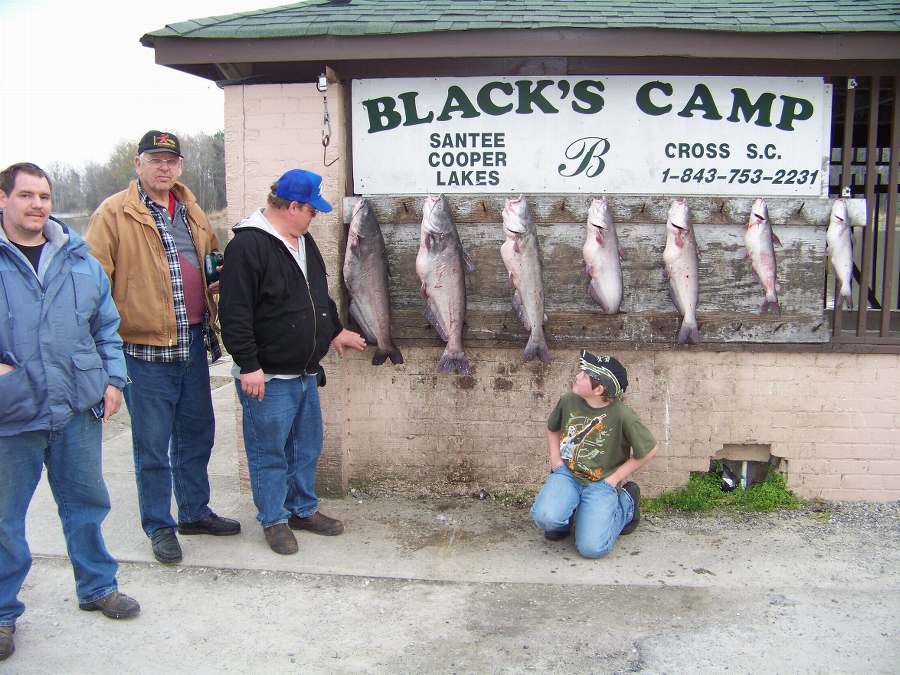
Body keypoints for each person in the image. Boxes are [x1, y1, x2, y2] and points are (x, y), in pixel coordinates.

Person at [0, 163, 140, 662]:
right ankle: (2, 613)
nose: (37, 205)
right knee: (4, 521)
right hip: (10, 417)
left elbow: (107, 325)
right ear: (3, 199)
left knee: (86, 504)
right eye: (26, 195)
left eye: (44, 195)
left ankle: (97, 586)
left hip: (77, 408)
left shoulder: (77, 258)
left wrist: (112, 378)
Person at [85, 131, 240, 565]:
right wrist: (101, 356)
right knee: (152, 444)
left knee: (196, 434)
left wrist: (216, 279)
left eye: (170, 160)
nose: (163, 168)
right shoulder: (113, 214)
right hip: (141, 350)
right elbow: (91, 287)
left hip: (192, 342)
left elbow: (210, 260)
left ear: (180, 166)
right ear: (138, 164)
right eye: (154, 160)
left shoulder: (193, 212)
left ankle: (193, 511)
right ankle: (159, 524)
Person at [219, 169, 366, 555]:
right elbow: (234, 313)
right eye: (311, 210)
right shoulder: (247, 246)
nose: (314, 217)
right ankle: (274, 519)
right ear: (294, 207)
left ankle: (302, 509)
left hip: (304, 372)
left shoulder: (303, 241)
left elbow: (319, 296)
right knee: (269, 451)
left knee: (306, 447)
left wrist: (334, 331)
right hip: (268, 376)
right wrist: (248, 364)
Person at [531, 350, 657, 559]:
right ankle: (566, 516)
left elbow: (649, 449)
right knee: (545, 517)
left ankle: (626, 504)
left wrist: (614, 479)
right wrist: (556, 461)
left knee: (593, 549)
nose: (578, 376)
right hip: (568, 475)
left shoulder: (623, 416)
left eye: (584, 375)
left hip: (601, 483)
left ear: (599, 389)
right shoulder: (568, 401)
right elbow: (552, 428)